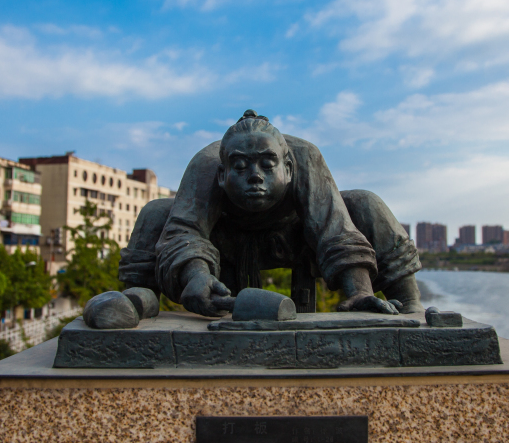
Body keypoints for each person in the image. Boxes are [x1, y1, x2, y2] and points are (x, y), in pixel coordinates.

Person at [119, 110, 422, 317]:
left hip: (296, 238)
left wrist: (358, 291)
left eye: (267, 165)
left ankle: (411, 303)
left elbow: (334, 228)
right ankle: (137, 298)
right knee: (156, 211)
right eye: (240, 167)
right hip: (227, 241)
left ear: (288, 169)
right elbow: (184, 230)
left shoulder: (304, 155)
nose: (254, 175)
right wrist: (196, 273)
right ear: (223, 173)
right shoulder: (206, 164)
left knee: (365, 202)